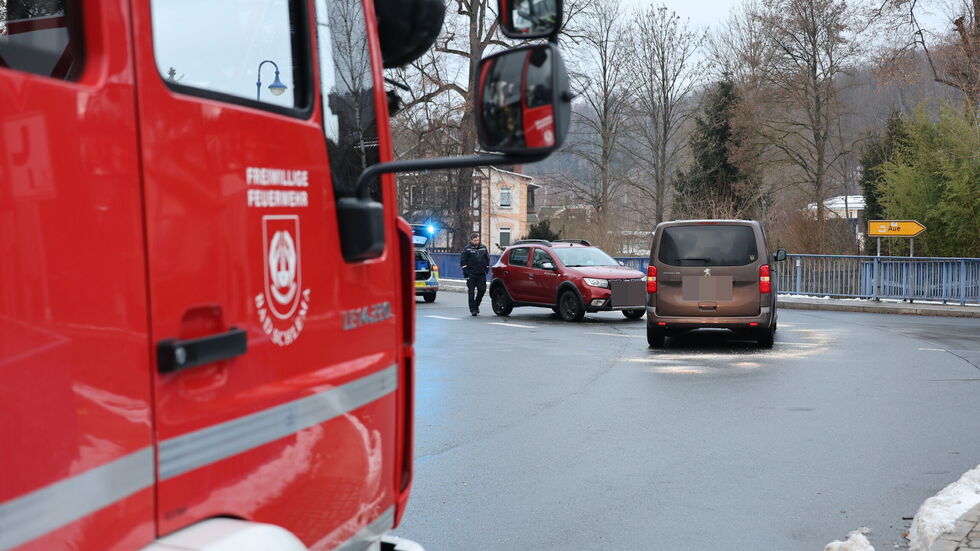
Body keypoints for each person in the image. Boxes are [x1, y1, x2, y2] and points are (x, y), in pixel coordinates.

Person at [460, 233, 491, 315]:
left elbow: (487, 258)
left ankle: (476, 305)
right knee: (471, 292)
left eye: (478, 240)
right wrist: (466, 272)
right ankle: (472, 309)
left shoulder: (483, 247)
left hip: (481, 273)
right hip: (471, 274)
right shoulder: (467, 249)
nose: (477, 242)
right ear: (471, 240)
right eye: (475, 240)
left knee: (482, 290)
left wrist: (487, 268)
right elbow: (463, 261)